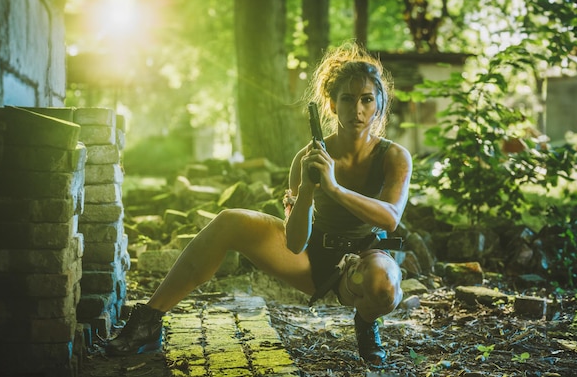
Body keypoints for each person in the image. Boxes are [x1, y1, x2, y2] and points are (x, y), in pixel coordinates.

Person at [106, 42, 413, 366]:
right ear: (333, 105)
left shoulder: (394, 156)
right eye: (348, 99)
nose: (358, 109)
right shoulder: (306, 159)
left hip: (368, 256)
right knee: (229, 220)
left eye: (366, 99)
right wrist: (308, 190)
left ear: (379, 103)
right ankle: (149, 321)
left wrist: (334, 188)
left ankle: (366, 324)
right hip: (314, 258)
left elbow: (391, 218)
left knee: (383, 285)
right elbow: (295, 243)